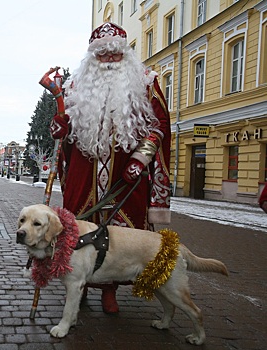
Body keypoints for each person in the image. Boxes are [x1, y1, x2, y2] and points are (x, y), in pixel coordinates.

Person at [50, 22, 171, 314]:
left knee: (121, 239)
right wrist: (58, 127)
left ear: (124, 54)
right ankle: (78, 287)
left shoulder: (145, 81)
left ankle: (109, 290)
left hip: (126, 175)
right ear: (92, 57)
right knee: (77, 232)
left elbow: (160, 126)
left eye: (114, 55)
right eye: (101, 55)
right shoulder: (75, 86)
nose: (108, 61)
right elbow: (62, 130)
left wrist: (140, 158)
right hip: (84, 173)